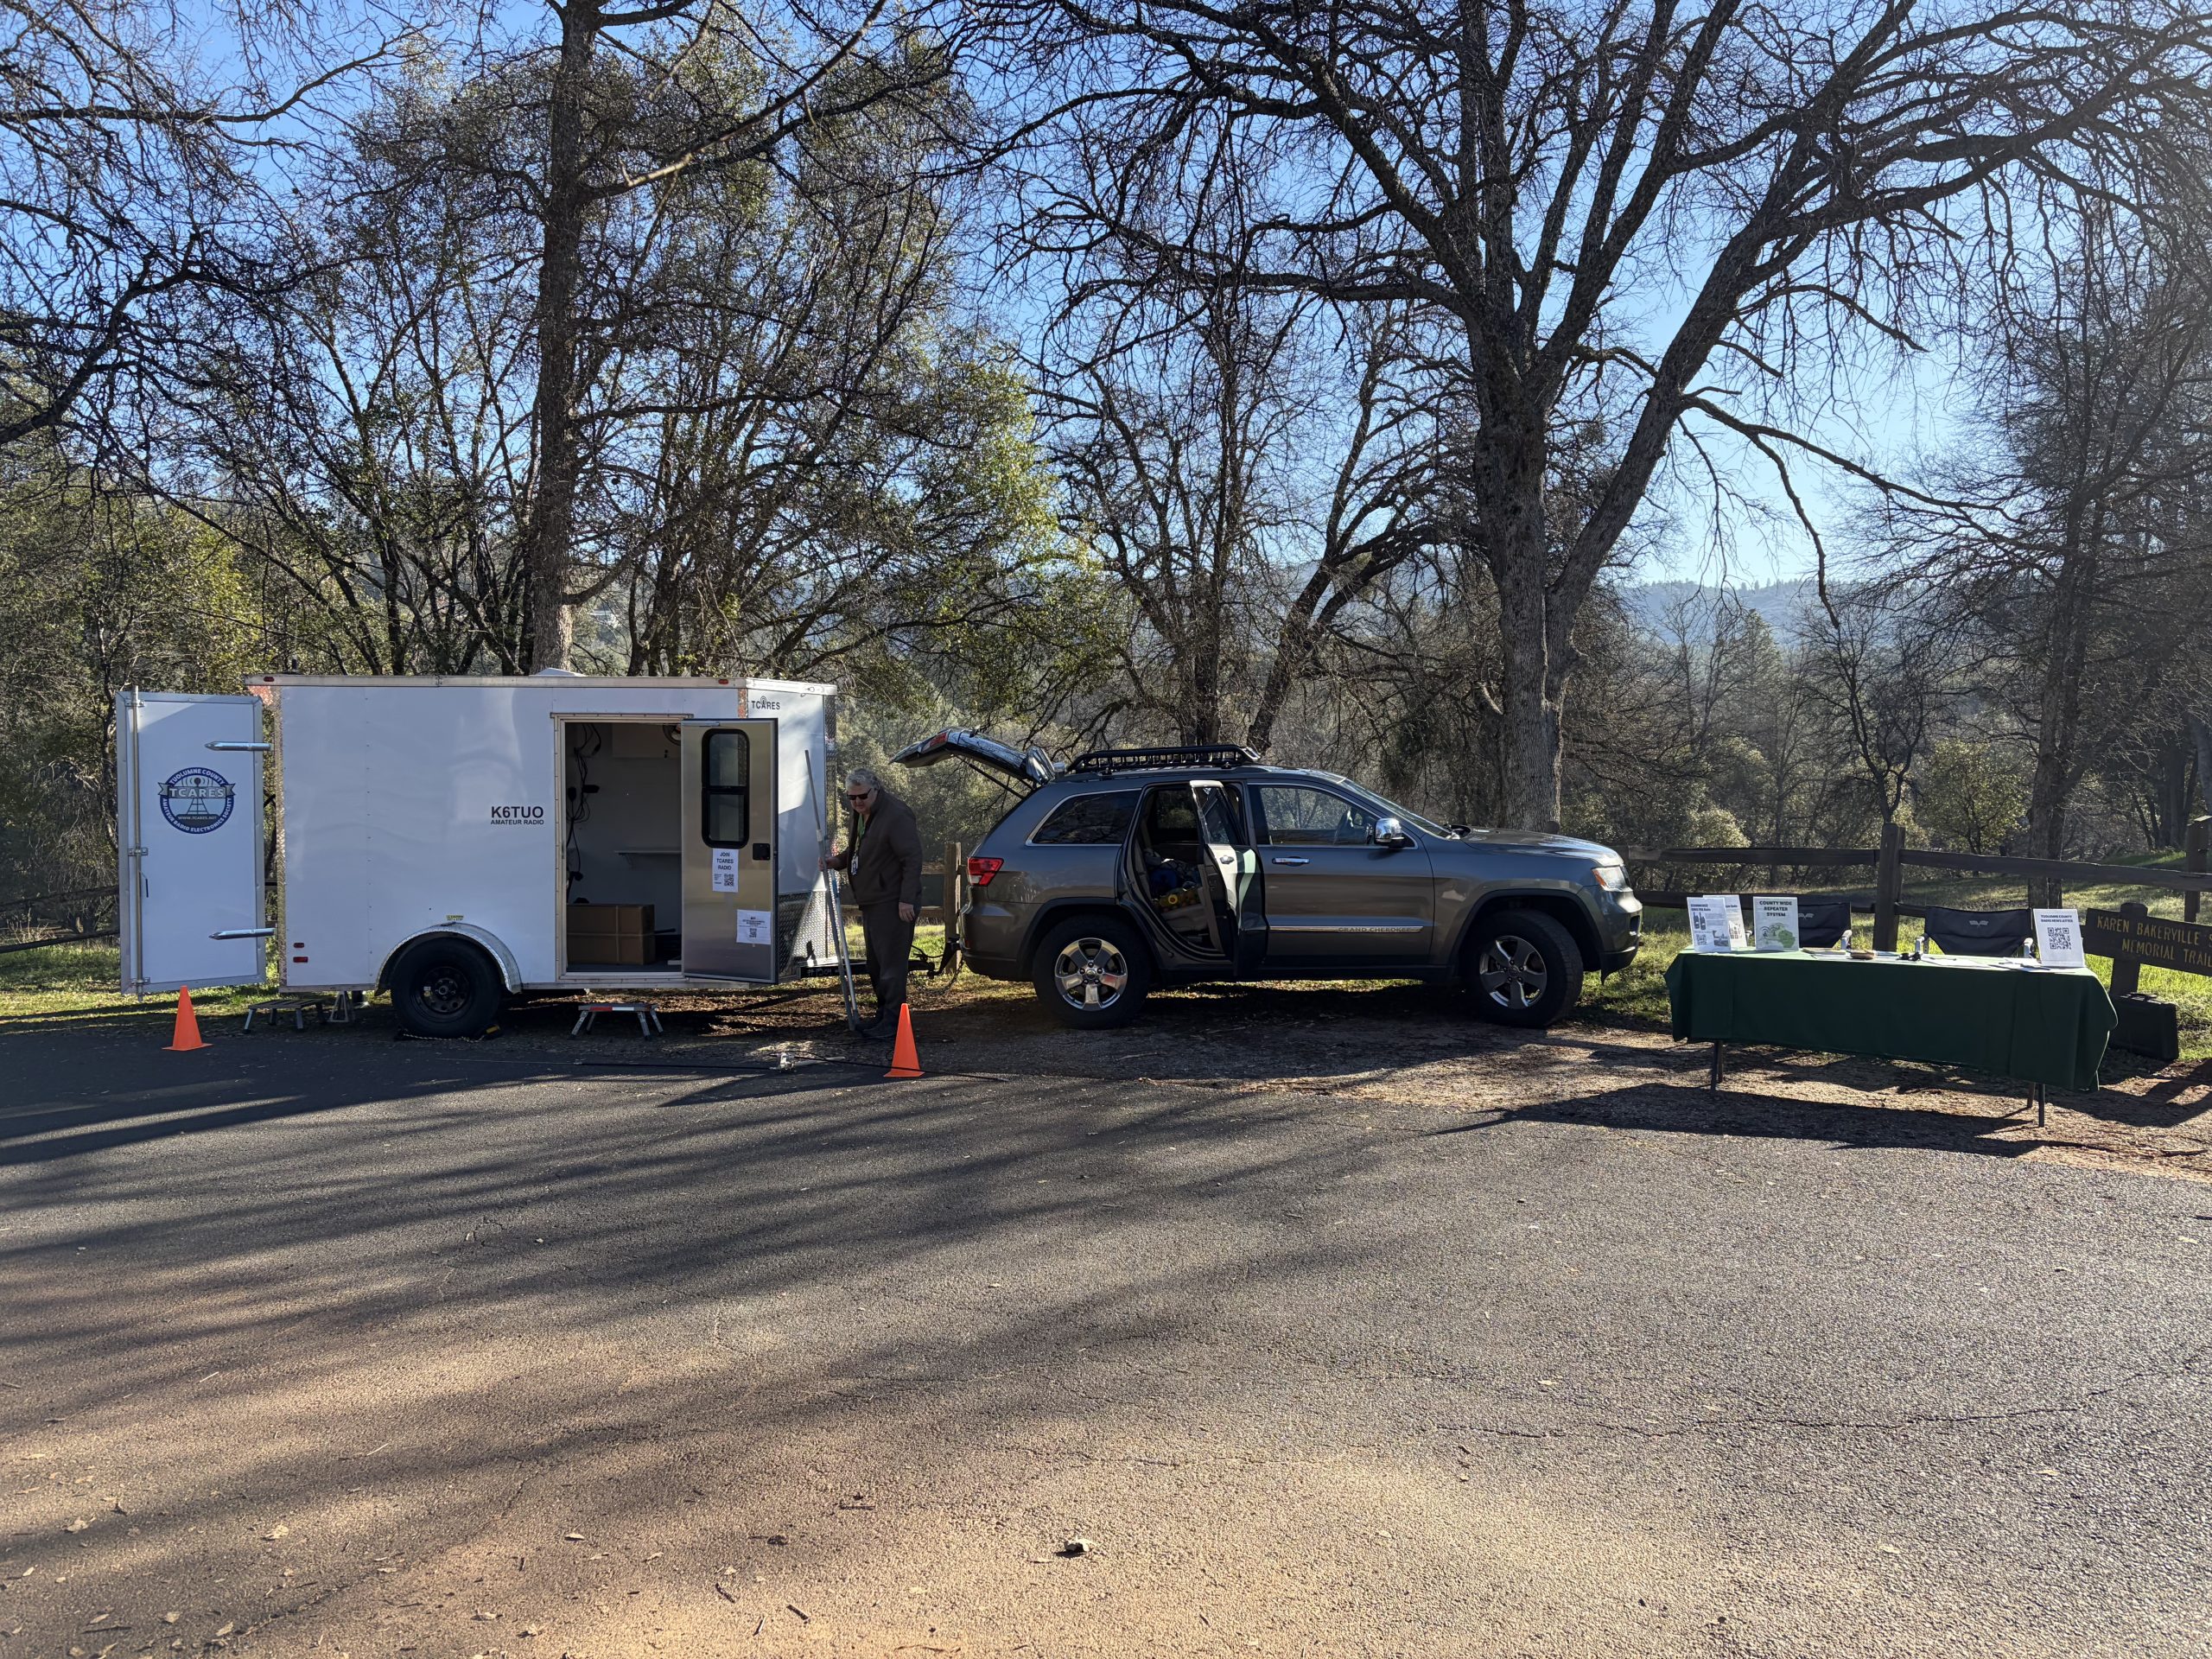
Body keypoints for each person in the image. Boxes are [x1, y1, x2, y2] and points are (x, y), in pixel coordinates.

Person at [820, 767, 922, 1039]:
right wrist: (836, 861)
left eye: (862, 796)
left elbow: (912, 859)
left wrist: (906, 900)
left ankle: (894, 1022)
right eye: (851, 798)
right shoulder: (862, 814)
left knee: (891, 966)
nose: (857, 802)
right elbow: (859, 850)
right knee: (876, 964)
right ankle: (883, 1015)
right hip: (872, 901)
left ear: (876, 790)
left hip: (892, 902)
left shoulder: (896, 815)